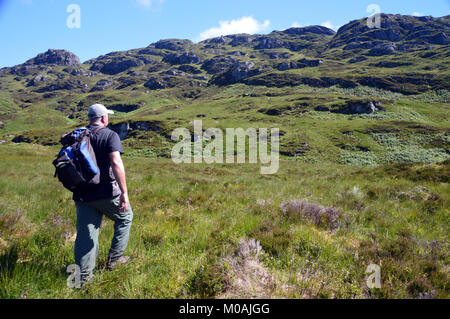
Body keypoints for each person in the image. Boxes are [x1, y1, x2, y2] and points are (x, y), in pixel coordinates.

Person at [73, 103, 133, 285]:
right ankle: (114, 261)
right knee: (125, 218)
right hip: (107, 192)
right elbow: (116, 161)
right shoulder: (110, 135)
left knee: (86, 235)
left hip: (83, 195)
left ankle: (82, 280)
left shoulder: (78, 135)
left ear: (90, 118)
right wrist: (124, 192)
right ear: (104, 118)